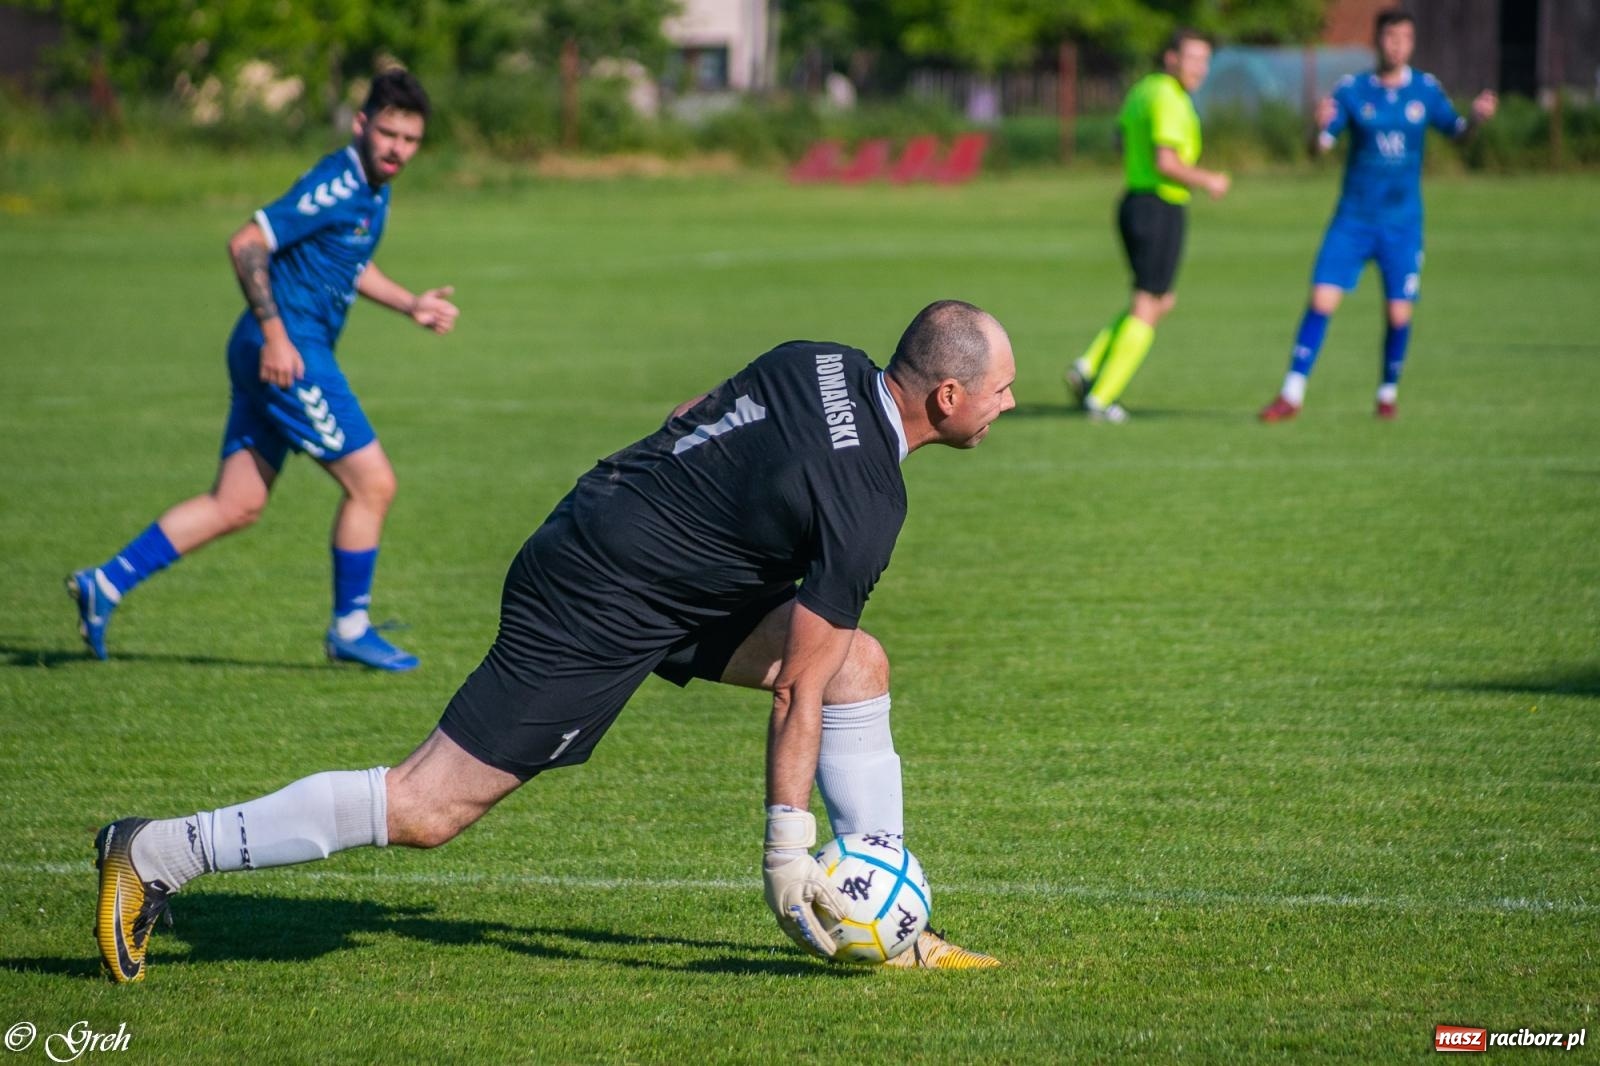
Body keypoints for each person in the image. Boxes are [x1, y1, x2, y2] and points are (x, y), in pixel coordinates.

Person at [92, 300, 1017, 982]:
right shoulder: (867, 504)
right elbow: (795, 691)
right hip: (601, 595)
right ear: (947, 396)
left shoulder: (820, 359)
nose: (1008, 403)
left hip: (625, 534)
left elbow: (693, 410)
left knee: (861, 665)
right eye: (1001, 390)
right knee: (427, 808)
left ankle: (887, 913)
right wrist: (785, 848)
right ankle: (159, 851)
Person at [66, 68, 460, 671]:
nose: (397, 149)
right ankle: (350, 628)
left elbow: (348, 262)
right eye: (388, 134)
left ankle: (105, 584)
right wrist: (277, 337)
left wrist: (411, 304)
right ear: (361, 124)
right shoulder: (337, 183)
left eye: (410, 140)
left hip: (275, 347)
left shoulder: (372, 189)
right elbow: (246, 242)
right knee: (373, 484)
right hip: (288, 350)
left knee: (238, 502)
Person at [1259, 9, 1496, 422]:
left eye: (1405, 38)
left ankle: (1387, 393)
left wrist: (1475, 119)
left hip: (1402, 224)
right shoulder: (1353, 91)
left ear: (1413, 43)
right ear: (1377, 41)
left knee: (1398, 313)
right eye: (1390, 37)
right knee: (1321, 299)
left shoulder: (1425, 90)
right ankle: (1291, 393)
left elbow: (1458, 135)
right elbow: (1320, 147)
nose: (1398, 45)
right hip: (1353, 220)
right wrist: (1315, 130)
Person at [1066, 29, 1230, 423]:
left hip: (1135, 202)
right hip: (1159, 205)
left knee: (1159, 300)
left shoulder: (1142, 90)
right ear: (1171, 58)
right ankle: (1101, 398)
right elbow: (1166, 162)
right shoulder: (1168, 97)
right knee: (1149, 302)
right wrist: (1209, 179)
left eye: (1205, 60)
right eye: (1193, 59)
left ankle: (1088, 366)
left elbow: (1119, 140)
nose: (1200, 68)